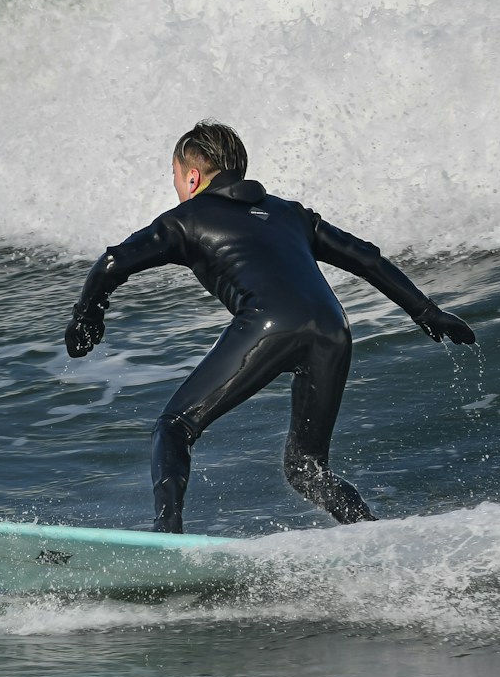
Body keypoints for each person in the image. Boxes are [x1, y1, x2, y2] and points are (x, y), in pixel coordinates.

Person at [64, 121, 475, 533]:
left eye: (175, 176)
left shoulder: (183, 219)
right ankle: (371, 534)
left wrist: (88, 316)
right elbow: (365, 258)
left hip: (270, 324)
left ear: (192, 176)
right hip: (333, 329)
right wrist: (427, 313)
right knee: (307, 468)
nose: (176, 187)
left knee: (174, 427)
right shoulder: (289, 212)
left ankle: (166, 536)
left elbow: (113, 262)